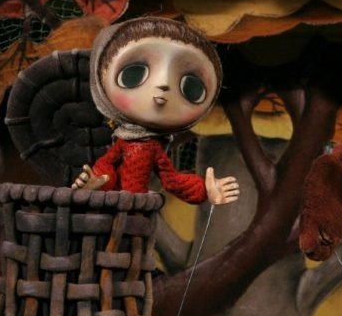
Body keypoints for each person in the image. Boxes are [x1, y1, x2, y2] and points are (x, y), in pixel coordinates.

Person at [71, 17, 240, 206]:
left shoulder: (153, 148)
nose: (163, 83)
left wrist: (205, 190)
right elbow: (107, 166)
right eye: (133, 73)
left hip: (139, 211)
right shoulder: (123, 142)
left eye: (191, 87)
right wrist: (96, 183)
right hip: (114, 206)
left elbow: (172, 180)